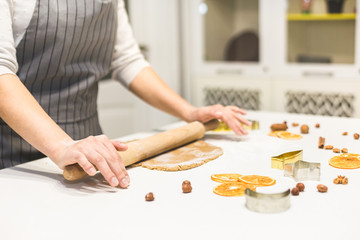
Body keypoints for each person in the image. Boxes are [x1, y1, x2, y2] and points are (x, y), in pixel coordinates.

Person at [0, 0, 250, 188]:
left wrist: (189, 112)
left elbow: (127, 61)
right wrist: (62, 146)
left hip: (93, 158)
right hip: (16, 159)